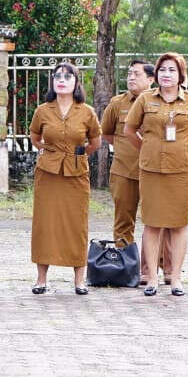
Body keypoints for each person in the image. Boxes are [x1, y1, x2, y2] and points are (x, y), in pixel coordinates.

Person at [125, 52, 188, 297]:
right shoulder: (145, 99)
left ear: (180, 75)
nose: (166, 74)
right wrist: (147, 149)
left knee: (178, 224)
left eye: (172, 70)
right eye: (162, 69)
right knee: (152, 223)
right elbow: (130, 130)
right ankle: (151, 277)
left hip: (181, 170)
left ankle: (175, 278)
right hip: (151, 169)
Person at [27, 62, 102, 296]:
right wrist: (48, 151)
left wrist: (78, 155)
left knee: (75, 225)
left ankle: (79, 279)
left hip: (76, 174)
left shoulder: (86, 111)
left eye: (68, 77)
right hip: (48, 174)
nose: (62, 80)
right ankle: (41, 279)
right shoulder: (43, 110)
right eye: (57, 76)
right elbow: (35, 136)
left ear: (76, 83)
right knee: (45, 224)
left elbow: (95, 142)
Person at [99, 60, 166, 286]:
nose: (131, 77)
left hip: (154, 171)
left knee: (156, 221)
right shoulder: (118, 103)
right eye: (129, 73)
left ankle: (153, 270)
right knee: (123, 220)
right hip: (123, 170)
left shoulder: (160, 103)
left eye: (137, 74)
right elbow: (107, 133)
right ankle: (124, 266)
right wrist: (125, 150)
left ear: (150, 79)